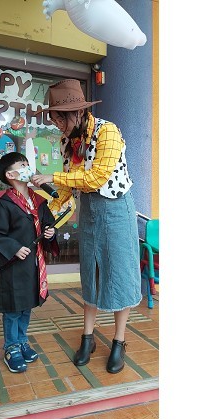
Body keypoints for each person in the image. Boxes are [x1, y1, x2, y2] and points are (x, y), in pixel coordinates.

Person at [32, 79, 142, 374]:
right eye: (53, 119)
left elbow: (97, 177)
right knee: (90, 273)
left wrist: (53, 177)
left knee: (119, 273)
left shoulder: (108, 132)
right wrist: (46, 212)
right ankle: (88, 338)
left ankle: (119, 341)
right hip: (90, 211)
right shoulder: (68, 142)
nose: (56, 124)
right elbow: (68, 188)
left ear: (78, 113)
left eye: (59, 119)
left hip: (116, 209)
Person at [0, 152, 59, 373]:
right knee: (13, 307)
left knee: (27, 304)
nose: (28, 168)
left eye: (28, 164)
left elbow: (48, 223)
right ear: (11, 175)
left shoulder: (39, 200)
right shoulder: (5, 203)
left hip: (33, 262)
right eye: (23, 164)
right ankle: (11, 347)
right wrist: (15, 248)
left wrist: (50, 232)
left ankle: (22, 340)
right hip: (14, 264)